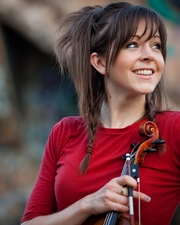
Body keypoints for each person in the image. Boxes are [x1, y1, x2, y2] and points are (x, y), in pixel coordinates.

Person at [21, 2, 180, 225]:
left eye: (156, 45)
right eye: (133, 45)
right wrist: (87, 205)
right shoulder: (65, 132)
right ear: (100, 62)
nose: (149, 55)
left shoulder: (173, 129)